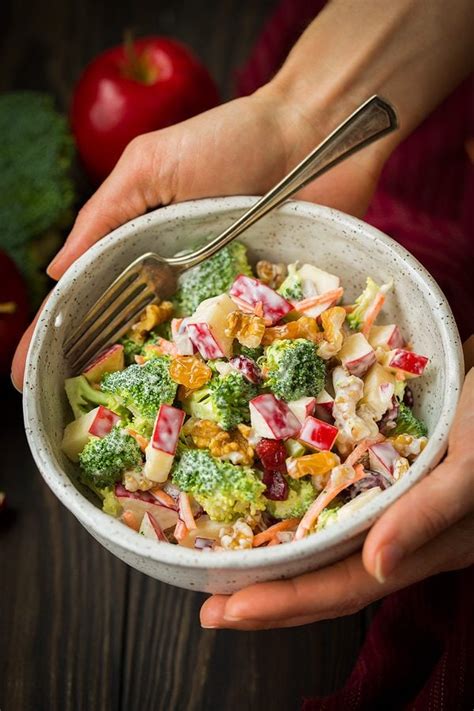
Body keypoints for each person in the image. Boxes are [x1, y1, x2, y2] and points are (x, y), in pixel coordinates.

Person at [11, 0, 474, 631]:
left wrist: (297, 119)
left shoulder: (283, 359)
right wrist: (290, 120)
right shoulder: (169, 383)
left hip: (334, 448)